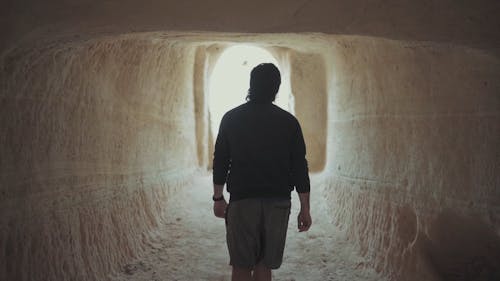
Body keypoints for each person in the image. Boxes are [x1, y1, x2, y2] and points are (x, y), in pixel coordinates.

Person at [212, 63, 312, 281]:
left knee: (240, 265)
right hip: (277, 202)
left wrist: (218, 198)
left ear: (251, 84)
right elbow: (299, 167)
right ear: (276, 88)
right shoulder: (289, 123)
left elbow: (220, 160)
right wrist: (305, 208)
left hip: (242, 201)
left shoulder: (231, 118)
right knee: (264, 264)